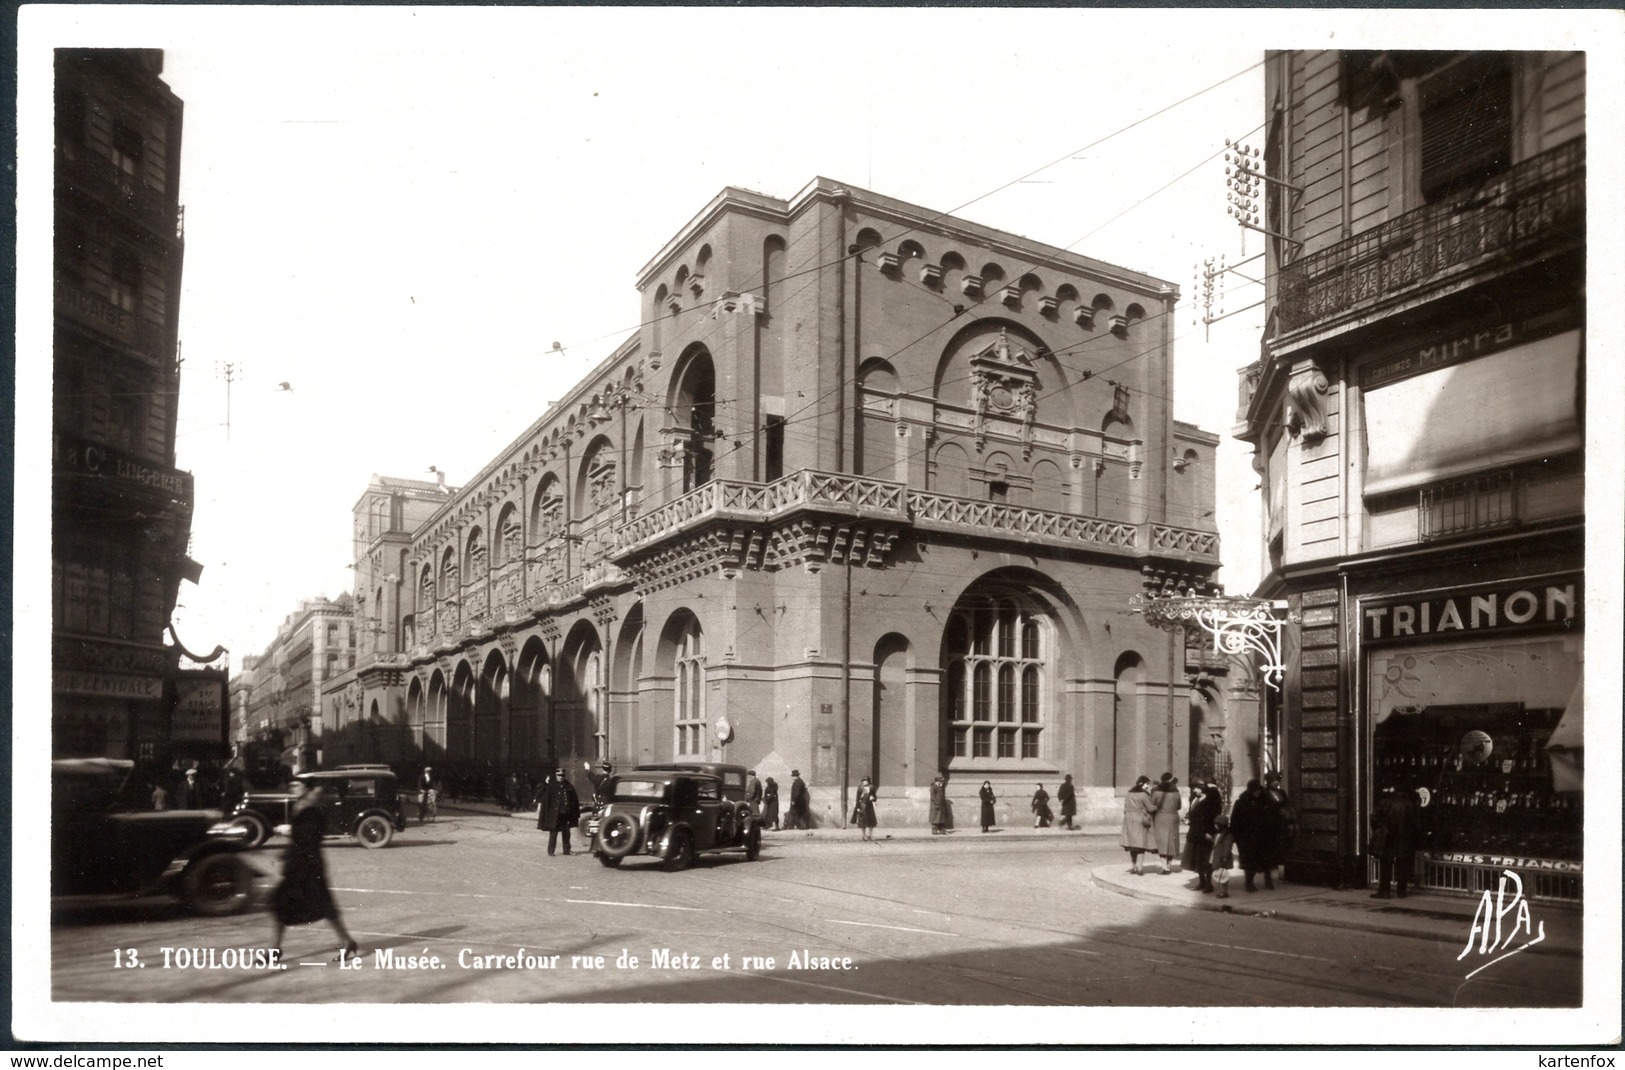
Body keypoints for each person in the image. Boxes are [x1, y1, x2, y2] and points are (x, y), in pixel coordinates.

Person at [271, 781, 357, 960]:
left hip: (309, 866)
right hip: (299, 864)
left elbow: (310, 837)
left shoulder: (314, 810)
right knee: (282, 903)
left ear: (307, 789)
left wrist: (288, 831)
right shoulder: (300, 806)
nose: (292, 788)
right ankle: (275, 948)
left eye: (297, 785)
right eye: (291, 785)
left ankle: (347, 941)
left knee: (322, 905)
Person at [1369, 784, 1421, 898]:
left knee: (1386, 864)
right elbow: (1416, 824)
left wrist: (1380, 830)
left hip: (1388, 837)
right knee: (1402, 864)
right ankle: (1401, 891)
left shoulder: (1385, 802)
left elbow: (1374, 819)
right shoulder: (1411, 805)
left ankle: (1384, 891)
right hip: (1404, 837)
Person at [1229, 779, 1274, 891]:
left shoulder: (1266, 801)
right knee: (1249, 861)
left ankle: (1268, 881)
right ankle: (1249, 883)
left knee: (1266, 860)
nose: (1257, 792)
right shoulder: (1242, 802)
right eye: (1255, 790)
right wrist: (1235, 836)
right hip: (1247, 837)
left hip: (1264, 836)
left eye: (1259, 790)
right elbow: (1235, 820)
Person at [1182, 784, 1222, 892]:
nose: (1194, 790)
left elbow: (1211, 820)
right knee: (1198, 859)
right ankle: (1202, 882)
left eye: (1196, 788)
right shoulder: (1195, 800)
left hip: (1205, 834)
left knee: (1206, 860)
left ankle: (1209, 884)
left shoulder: (1210, 803)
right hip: (1196, 834)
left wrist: (1208, 832)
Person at [1262, 771, 1298, 883]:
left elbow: (1287, 804)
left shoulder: (1281, 792)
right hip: (1271, 824)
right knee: (1271, 849)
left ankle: (1278, 869)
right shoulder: (1265, 793)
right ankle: (1270, 873)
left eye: (1277, 780)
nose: (1276, 783)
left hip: (1282, 823)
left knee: (1281, 847)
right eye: (1274, 781)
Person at [536, 767, 582, 856]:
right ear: (556, 775)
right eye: (559, 775)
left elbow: (574, 800)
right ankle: (551, 851)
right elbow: (546, 801)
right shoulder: (552, 786)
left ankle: (567, 850)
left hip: (565, 814)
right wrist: (547, 814)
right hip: (555, 815)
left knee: (566, 833)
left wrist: (574, 813)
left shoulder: (569, 786)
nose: (561, 777)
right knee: (553, 833)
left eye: (562, 775)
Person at [1120, 775, 1156, 874]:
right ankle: (1140, 868)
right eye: (1147, 784)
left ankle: (1134, 867)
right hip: (1140, 819)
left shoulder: (1129, 793)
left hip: (1128, 819)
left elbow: (1125, 806)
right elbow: (1150, 808)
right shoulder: (1144, 795)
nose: (1148, 786)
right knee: (1140, 845)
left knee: (1132, 845)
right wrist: (1158, 806)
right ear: (1143, 784)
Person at [1149, 774, 1183, 874]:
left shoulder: (1156, 792)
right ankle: (1169, 866)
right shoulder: (1176, 793)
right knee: (1172, 842)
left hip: (1160, 819)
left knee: (1162, 843)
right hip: (1173, 818)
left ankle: (1164, 867)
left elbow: (1151, 806)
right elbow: (1179, 806)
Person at [1210, 814, 1236, 899]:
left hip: (1222, 858)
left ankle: (1224, 891)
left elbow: (1227, 847)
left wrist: (1224, 856)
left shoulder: (1227, 836)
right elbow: (1216, 843)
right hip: (1217, 857)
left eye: (1216, 824)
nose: (1215, 826)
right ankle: (1222, 891)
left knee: (1222, 875)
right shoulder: (1217, 834)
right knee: (1219, 874)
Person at [851, 777, 878, 841]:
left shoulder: (871, 787)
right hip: (862, 805)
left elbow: (875, 796)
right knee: (862, 821)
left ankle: (870, 835)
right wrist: (858, 807)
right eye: (863, 781)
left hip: (869, 806)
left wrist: (873, 798)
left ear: (868, 781)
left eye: (865, 781)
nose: (864, 782)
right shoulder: (860, 788)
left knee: (871, 821)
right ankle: (864, 835)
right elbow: (857, 798)